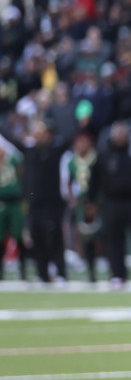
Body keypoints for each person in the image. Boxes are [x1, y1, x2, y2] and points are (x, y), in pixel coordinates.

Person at [0, 119, 71, 282]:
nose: (38, 136)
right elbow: (10, 138)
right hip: (33, 204)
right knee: (36, 238)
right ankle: (42, 273)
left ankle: (60, 272)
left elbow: (68, 138)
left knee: (54, 237)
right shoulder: (28, 151)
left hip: (52, 203)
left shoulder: (55, 150)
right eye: (36, 133)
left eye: (41, 133)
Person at [88, 121, 131, 285]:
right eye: (118, 134)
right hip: (112, 201)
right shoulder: (104, 154)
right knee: (114, 239)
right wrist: (92, 201)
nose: (120, 137)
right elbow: (94, 179)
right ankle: (118, 274)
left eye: (123, 134)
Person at [65, 130, 101, 283]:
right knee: (84, 236)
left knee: (102, 234)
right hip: (82, 200)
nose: (81, 145)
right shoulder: (72, 161)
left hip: (99, 200)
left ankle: (110, 268)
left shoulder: (97, 159)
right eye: (79, 142)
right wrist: (72, 199)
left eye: (84, 141)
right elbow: (69, 181)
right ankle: (90, 269)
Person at [0, 140, 27, 280]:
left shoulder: (13, 159)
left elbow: (22, 170)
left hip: (15, 202)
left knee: (19, 235)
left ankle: (23, 271)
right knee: (0, 237)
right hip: (1, 203)